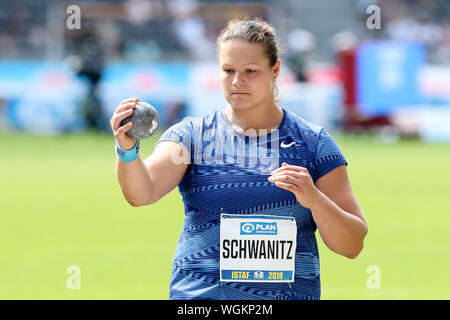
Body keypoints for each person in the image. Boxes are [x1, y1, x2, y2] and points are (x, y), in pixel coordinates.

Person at [110, 18, 368, 300]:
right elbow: (141, 193)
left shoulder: (313, 143)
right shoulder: (191, 136)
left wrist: (315, 200)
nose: (237, 81)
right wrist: (127, 150)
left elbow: (351, 245)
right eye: (228, 70)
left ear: (275, 70)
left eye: (250, 71)